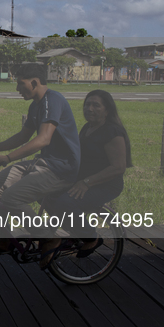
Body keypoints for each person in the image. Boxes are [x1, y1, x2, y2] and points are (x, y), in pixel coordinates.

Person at [0, 63, 81, 268]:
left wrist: (8, 158)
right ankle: (5, 237)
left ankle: (46, 236)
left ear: (34, 82)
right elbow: (23, 136)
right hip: (44, 163)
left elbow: (43, 140)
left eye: (20, 83)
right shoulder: (36, 105)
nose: (17, 89)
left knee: (12, 197)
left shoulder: (53, 100)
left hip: (61, 168)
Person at [44, 90, 132, 257]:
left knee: (65, 202)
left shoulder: (113, 132)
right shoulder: (87, 128)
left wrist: (87, 183)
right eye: (87, 104)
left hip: (104, 184)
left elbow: (119, 167)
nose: (89, 108)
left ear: (107, 110)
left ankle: (90, 237)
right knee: (45, 194)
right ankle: (74, 232)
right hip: (81, 180)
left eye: (96, 105)